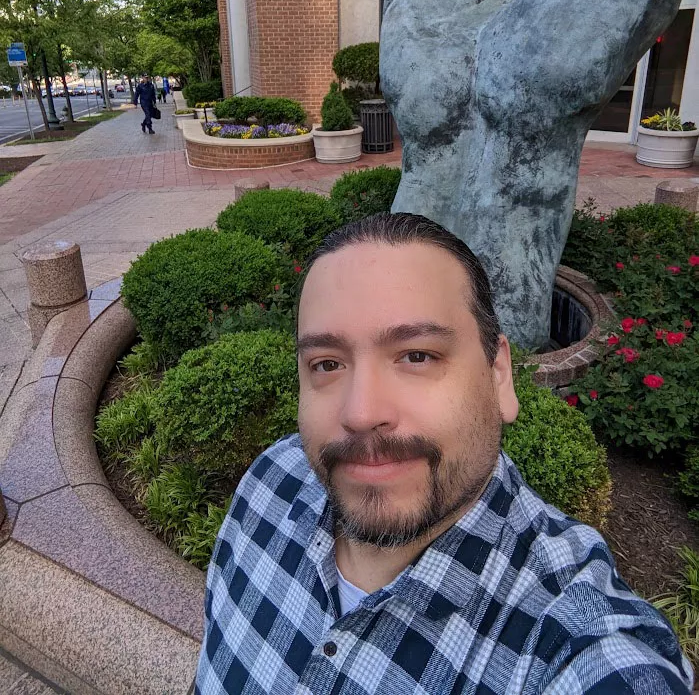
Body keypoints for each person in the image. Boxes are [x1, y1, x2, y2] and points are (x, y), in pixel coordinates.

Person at [196, 213, 692, 695]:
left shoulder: (573, 642)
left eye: (417, 355)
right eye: (327, 363)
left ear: (499, 374)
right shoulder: (269, 481)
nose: (362, 412)